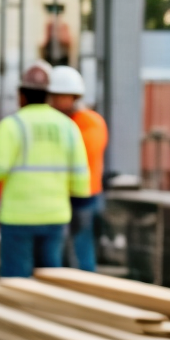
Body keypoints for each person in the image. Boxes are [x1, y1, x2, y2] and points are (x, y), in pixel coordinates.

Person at [0, 63, 90, 278]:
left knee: (16, 283)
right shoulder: (68, 126)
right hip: (55, 215)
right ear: (49, 95)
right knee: (49, 281)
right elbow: (81, 180)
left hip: (18, 217)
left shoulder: (12, 125)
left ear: (21, 95)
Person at [47, 65, 109, 271]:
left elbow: (78, 155)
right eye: (53, 96)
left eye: (60, 96)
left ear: (74, 96)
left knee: (81, 248)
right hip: (63, 194)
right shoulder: (63, 121)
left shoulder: (90, 122)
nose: (55, 102)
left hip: (84, 196)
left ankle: (86, 286)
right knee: (62, 250)